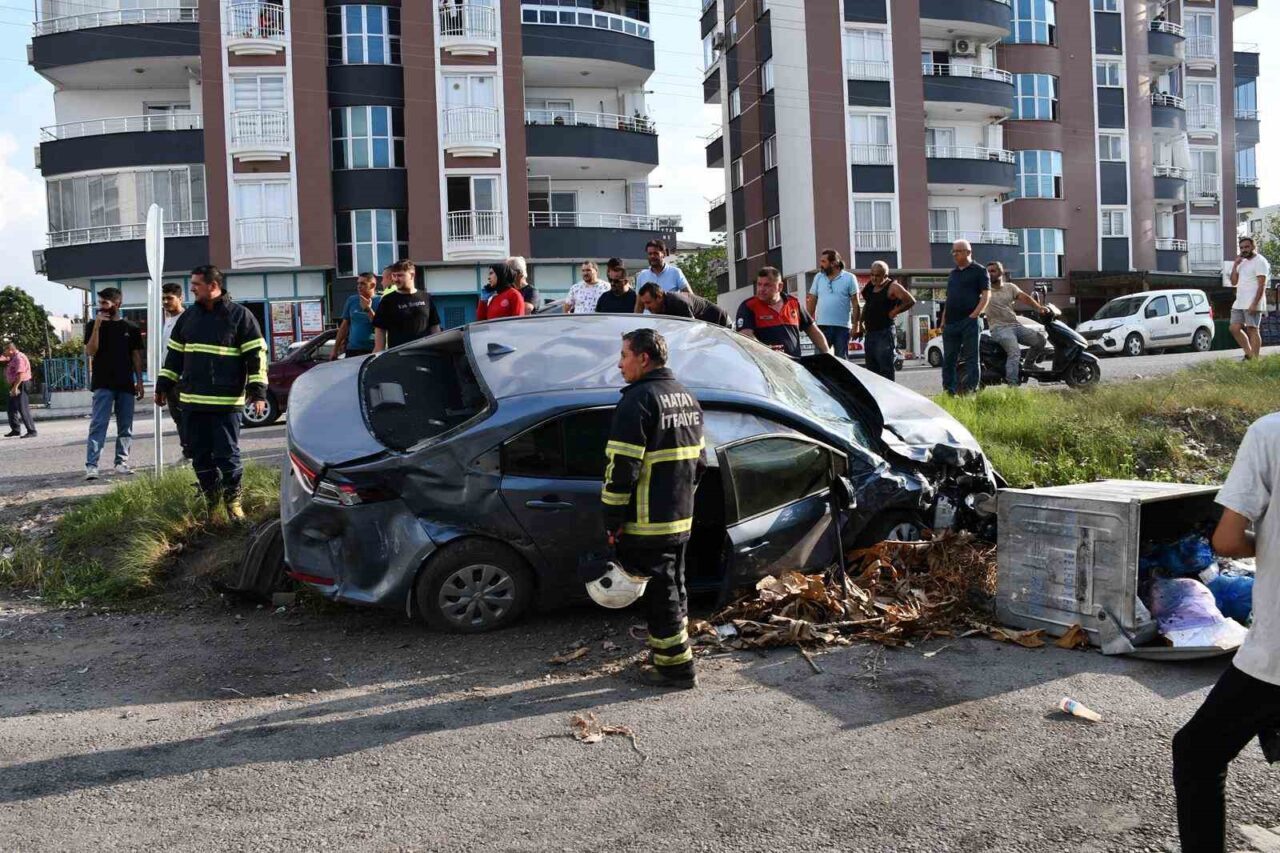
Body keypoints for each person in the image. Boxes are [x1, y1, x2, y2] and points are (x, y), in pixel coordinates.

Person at [1173, 412, 1280, 852]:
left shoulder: (1271, 433)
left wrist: (1269, 542)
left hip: (1274, 657)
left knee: (1197, 752)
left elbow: (1228, 540)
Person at [602, 328, 705, 689]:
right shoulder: (687, 397)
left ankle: (676, 669)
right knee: (675, 587)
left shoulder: (638, 400)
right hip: (681, 516)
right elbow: (701, 462)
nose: (619, 364)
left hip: (647, 521)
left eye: (624, 355)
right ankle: (674, 655)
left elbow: (621, 468)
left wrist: (612, 517)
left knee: (661, 596)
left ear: (643, 358)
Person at [155, 266, 267, 521]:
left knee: (227, 456)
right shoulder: (188, 317)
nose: (192, 288)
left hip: (227, 404)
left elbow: (257, 357)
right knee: (199, 455)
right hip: (193, 402)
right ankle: (212, 500)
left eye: (196, 284)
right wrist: (163, 385)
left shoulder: (240, 316)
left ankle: (234, 503)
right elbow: (174, 356)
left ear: (213, 285)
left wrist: (258, 393)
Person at [83, 286, 143, 480]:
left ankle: (121, 462)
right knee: (99, 424)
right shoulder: (93, 324)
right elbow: (90, 351)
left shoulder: (131, 328)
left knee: (125, 425)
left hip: (125, 383)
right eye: (99, 303)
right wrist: (98, 326)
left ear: (117, 304)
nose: (101, 307)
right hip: (103, 383)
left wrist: (140, 381)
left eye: (105, 303)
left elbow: (136, 356)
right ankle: (92, 465)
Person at [735, 267, 829, 357]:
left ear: (780, 286)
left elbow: (813, 330)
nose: (761, 289)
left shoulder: (794, 303)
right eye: (759, 284)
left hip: (794, 365)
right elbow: (745, 336)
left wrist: (827, 353)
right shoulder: (748, 306)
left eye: (767, 285)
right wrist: (766, 350)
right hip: (765, 366)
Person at [984, 261, 1047, 386]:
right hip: (999, 328)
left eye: (993, 271)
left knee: (1041, 340)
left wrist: (1039, 308)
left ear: (1000, 272)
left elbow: (1025, 297)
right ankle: (1012, 385)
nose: (989, 274)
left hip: (1015, 325)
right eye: (987, 271)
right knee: (1014, 352)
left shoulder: (1010, 287)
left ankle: (1029, 364)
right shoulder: (985, 290)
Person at [940, 240, 991, 395]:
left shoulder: (980, 270)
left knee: (971, 359)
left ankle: (970, 391)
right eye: (953, 251)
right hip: (951, 323)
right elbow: (949, 299)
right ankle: (949, 391)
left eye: (958, 251)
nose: (954, 254)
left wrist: (973, 316)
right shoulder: (953, 274)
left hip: (970, 322)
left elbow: (986, 295)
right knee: (949, 359)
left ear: (968, 252)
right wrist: (943, 320)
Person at [859, 261, 916, 381]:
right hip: (870, 333)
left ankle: (888, 398)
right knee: (871, 371)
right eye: (872, 274)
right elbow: (867, 304)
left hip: (884, 333)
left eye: (878, 275)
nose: (874, 278)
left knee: (885, 369)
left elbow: (910, 300)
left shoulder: (893, 286)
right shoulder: (871, 286)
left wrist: (895, 311)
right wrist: (860, 322)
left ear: (885, 276)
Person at [373, 260, 440, 351]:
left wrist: (439, 350)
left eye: (400, 275)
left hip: (425, 355)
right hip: (399, 357)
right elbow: (380, 330)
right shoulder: (387, 300)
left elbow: (434, 327)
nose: (396, 279)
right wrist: (378, 354)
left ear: (412, 275)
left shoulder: (426, 297)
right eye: (394, 275)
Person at [806, 249, 860, 361]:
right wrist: (807, 322)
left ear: (834, 263)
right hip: (821, 327)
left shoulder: (849, 278)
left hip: (842, 328)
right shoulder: (818, 277)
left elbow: (856, 303)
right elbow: (812, 299)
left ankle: (841, 379)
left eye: (823, 262)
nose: (821, 265)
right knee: (820, 361)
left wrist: (856, 325)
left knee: (842, 362)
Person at [158, 282, 190, 461]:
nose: (165, 302)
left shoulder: (187, 319)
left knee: (188, 418)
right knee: (178, 418)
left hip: (184, 378)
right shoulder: (168, 320)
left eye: (169, 298)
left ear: (180, 298)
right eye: (163, 298)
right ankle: (187, 452)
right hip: (170, 377)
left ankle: (193, 454)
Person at [1230, 235, 1270, 361]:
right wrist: (1235, 265)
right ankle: (1249, 354)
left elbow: (1262, 284)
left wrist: (1255, 304)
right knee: (1234, 328)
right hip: (1239, 302)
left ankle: (1255, 360)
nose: (1244, 250)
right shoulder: (1242, 262)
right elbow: (1233, 282)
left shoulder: (1260, 261)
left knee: (1253, 329)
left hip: (1252, 302)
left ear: (1253, 246)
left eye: (1247, 247)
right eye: (1241, 247)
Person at [332, 273, 382, 360]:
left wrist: (368, 309)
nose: (359, 286)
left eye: (363, 283)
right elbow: (344, 326)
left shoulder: (381, 301)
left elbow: (381, 326)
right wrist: (335, 349)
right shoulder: (352, 300)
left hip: (372, 350)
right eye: (358, 283)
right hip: (352, 349)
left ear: (372, 285)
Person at [636, 282, 730, 326]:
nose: (646, 307)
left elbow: (691, 329)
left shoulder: (678, 303)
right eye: (644, 304)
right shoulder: (659, 307)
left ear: (659, 297)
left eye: (648, 303)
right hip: (706, 325)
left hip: (721, 322)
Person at [634, 240, 691, 307]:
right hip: (648, 317)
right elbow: (639, 305)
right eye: (650, 254)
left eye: (655, 253)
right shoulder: (642, 276)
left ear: (663, 254)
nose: (652, 256)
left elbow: (690, 297)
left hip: (668, 316)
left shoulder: (676, 273)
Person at [1, 339, 36, 438]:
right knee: (11, 408)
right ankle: (16, 430)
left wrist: (15, 387)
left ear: (11, 350)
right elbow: (3, 358)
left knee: (23, 408)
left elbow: (21, 374)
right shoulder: (12, 357)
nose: (4, 353)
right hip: (15, 384)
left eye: (5, 351)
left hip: (21, 384)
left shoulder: (19, 358)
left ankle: (32, 431)